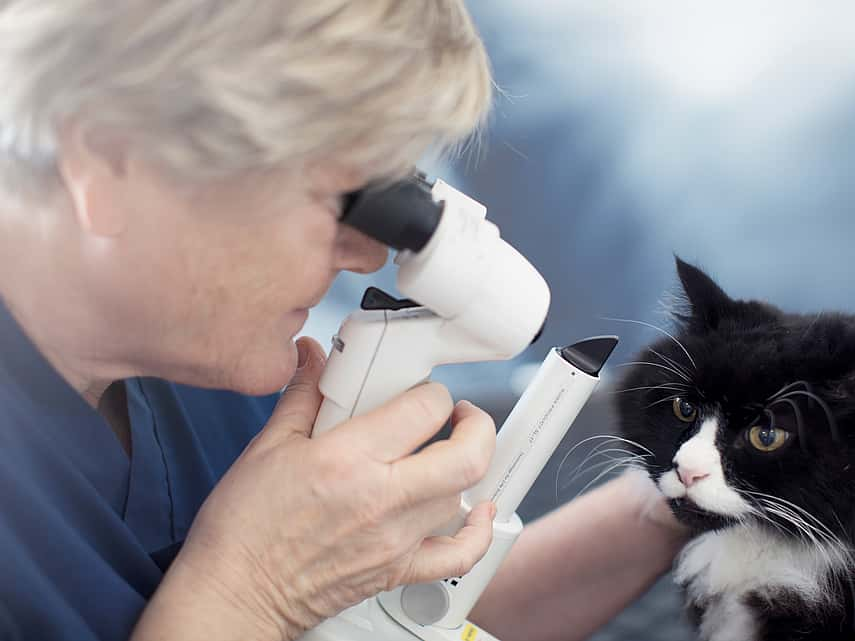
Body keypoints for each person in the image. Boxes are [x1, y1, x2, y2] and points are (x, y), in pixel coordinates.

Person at [0, 2, 686, 640]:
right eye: (340, 195)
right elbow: (281, 589)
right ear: (107, 162)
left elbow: (393, 618)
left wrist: (673, 505)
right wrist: (255, 587)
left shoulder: (193, 357)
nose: (367, 255)